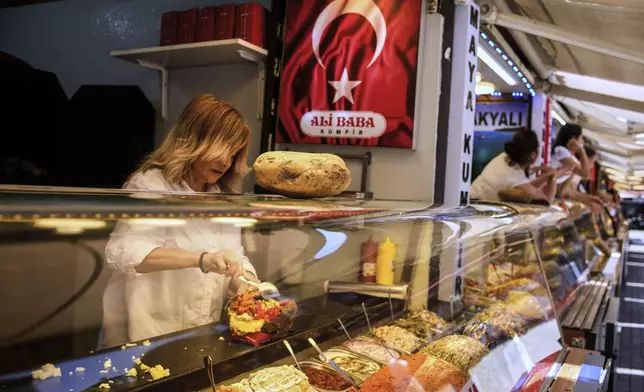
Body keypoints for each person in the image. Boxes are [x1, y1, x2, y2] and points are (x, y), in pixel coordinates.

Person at [102, 94, 259, 346]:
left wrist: (244, 285)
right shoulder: (150, 185)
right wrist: (202, 259)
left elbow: (234, 258)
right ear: (194, 139)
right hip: (148, 330)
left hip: (201, 329)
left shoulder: (221, 197)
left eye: (233, 153)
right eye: (221, 148)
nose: (226, 161)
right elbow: (125, 252)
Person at [470, 129, 557, 203]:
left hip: (470, 200)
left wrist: (546, 177)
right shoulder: (513, 177)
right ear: (533, 155)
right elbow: (546, 201)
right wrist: (553, 176)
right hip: (477, 208)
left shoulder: (505, 156)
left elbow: (526, 187)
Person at [559, 146, 603, 214]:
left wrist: (588, 199)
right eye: (593, 161)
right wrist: (587, 199)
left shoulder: (578, 171)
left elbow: (570, 191)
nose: (593, 165)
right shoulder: (574, 164)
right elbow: (562, 192)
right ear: (585, 158)